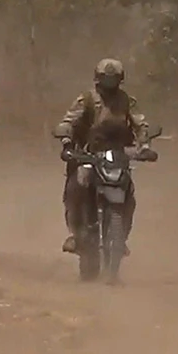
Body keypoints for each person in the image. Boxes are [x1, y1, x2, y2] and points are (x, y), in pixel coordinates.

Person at [54, 58, 152, 255]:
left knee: (128, 193)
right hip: (88, 155)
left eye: (113, 78)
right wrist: (66, 141)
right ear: (97, 79)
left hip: (118, 156)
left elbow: (141, 124)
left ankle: (120, 237)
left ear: (120, 79)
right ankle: (75, 233)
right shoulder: (87, 100)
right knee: (77, 186)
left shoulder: (126, 101)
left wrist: (144, 146)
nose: (109, 83)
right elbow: (69, 121)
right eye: (105, 79)